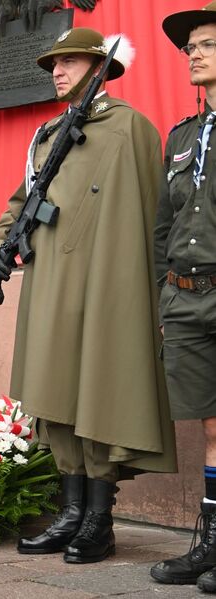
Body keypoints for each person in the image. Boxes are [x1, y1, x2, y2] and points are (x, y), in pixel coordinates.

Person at [0, 28, 176, 564]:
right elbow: (21, 201)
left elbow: (151, 218)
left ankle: (98, 520)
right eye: (54, 63)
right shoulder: (47, 135)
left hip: (103, 284)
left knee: (97, 393)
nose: (56, 71)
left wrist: (151, 293)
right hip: (50, 282)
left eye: (68, 62)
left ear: (99, 67)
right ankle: (69, 515)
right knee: (57, 398)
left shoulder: (130, 128)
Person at [151, 3, 216, 592]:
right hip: (187, 299)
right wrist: (162, 302)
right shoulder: (182, 137)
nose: (193, 53)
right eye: (188, 46)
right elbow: (161, 231)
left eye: (206, 44)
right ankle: (213, 545)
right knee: (209, 425)